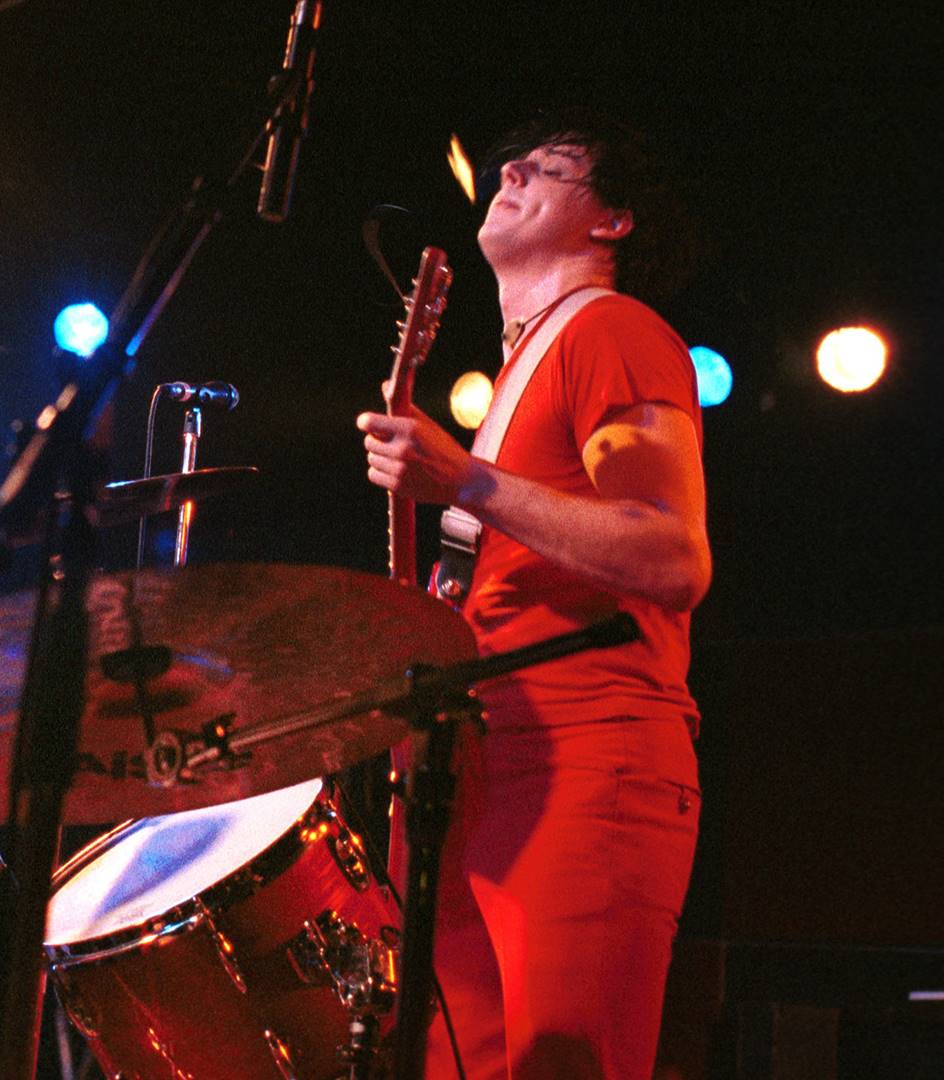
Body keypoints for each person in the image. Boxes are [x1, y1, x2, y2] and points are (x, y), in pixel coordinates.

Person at [356, 111, 709, 1079]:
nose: (508, 168)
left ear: (613, 223)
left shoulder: (614, 331)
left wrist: (465, 481)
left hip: (587, 764)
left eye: (549, 168)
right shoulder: (527, 368)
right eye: (514, 161)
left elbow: (673, 555)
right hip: (475, 777)